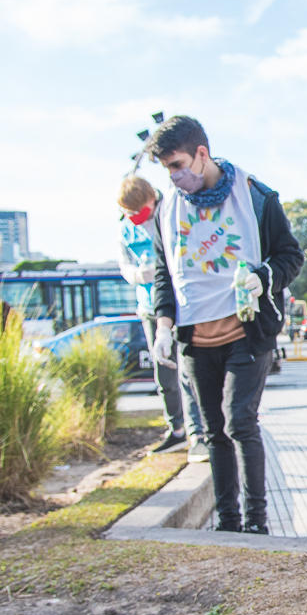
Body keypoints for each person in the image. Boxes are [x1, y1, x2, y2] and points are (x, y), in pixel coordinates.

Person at [145, 115, 303, 535]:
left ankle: (256, 521)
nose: (174, 177)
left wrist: (264, 276)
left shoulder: (255, 197)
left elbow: (291, 256)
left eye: (178, 165)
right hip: (195, 339)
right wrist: (163, 326)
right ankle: (228, 524)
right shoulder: (167, 210)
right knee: (214, 432)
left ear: (202, 154)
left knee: (239, 422)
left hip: (246, 332)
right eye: (167, 169)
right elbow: (163, 274)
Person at [117, 174, 207, 458]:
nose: (135, 217)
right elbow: (124, 265)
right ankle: (176, 429)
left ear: (152, 200)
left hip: (180, 306)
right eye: (129, 212)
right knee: (164, 372)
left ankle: (198, 432)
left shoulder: (171, 214)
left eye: (139, 210)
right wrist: (137, 275)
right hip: (150, 308)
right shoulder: (126, 230)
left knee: (188, 371)